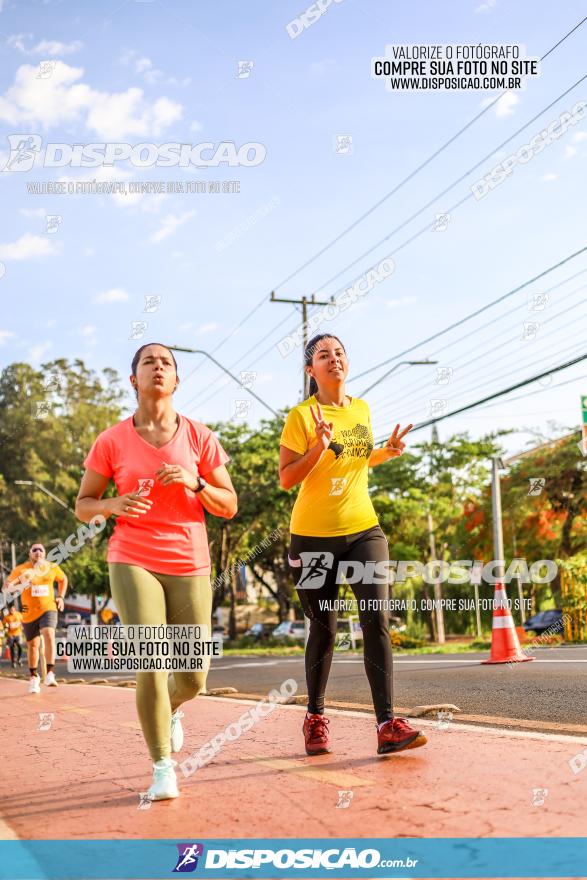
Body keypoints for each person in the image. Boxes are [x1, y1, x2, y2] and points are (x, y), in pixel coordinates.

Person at [75, 342, 237, 801]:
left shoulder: (200, 437)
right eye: (149, 361)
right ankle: (162, 767)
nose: (159, 367)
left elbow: (229, 505)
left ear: (177, 380)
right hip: (132, 555)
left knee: (193, 678)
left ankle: (172, 707)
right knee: (151, 658)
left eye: (166, 362)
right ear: (134, 380)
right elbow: (83, 506)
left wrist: (197, 482)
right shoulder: (111, 440)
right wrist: (113, 503)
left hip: (189, 560)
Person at [279, 333, 428, 756]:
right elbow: (288, 478)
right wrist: (317, 448)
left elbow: (356, 458)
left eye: (339, 352)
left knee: (376, 619)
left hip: (364, 530)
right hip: (312, 538)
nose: (334, 359)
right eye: (323, 355)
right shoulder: (301, 416)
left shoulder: (361, 408)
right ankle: (315, 717)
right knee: (324, 628)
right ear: (311, 370)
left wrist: (387, 452)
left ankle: (386, 725)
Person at [3, 544, 67, 692]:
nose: (38, 552)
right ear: (30, 554)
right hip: (28, 613)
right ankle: (33, 677)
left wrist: (61, 597)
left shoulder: (51, 567)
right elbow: (7, 587)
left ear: (44, 554)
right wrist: (20, 586)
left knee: (49, 635)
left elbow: (63, 579)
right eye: (34, 550)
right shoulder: (22, 569)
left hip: (48, 609)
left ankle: (50, 673)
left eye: (41, 550)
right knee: (33, 645)